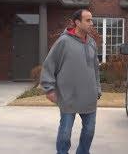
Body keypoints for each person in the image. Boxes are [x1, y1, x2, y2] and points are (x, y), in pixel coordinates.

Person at [40, 9, 101, 154]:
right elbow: (49, 65)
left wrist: (98, 88)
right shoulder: (63, 41)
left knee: (89, 131)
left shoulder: (92, 43)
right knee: (65, 132)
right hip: (68, 96)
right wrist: (49, 88)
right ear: (77, 22)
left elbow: (95, 69)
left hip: (89, 97)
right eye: (88, 20)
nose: (91, 23)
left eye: (91, 20)